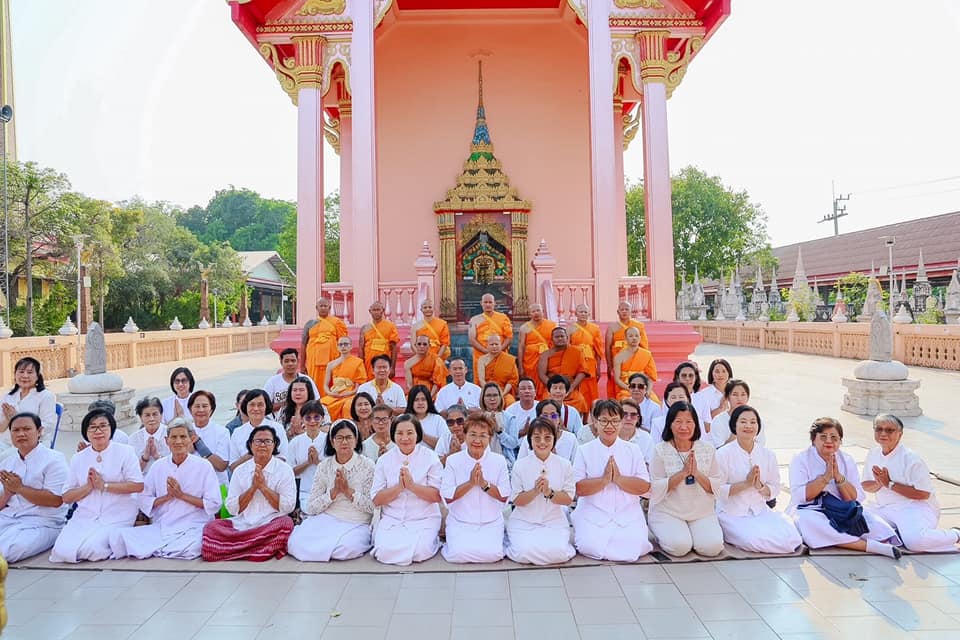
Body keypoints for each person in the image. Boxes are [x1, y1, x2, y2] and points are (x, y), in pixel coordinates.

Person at [109, 418, 221, 560]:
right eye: (174, 437)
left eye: (183, 437)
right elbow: (144, 499)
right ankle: (163, 547)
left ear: (191, 439)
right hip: (163, 525)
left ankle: (160, 548)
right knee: (118, 536)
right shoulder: (158, 466)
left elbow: (214, 504)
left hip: (194, 525)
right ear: (167, 441)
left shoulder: (204, 466)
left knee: (192, 547)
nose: (178, 441)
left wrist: (181, 495)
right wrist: (167, 497)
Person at [789, 417, 901, 558]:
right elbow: (800, 497)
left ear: (840, 441)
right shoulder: (800, 458)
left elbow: (856, 497)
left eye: (834, 437)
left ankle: (864, 541)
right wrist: (824, 478)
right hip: (809, 509)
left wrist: (838, 477)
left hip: (841, 508)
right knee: (806, 523)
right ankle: (870, 546)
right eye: (823, 437)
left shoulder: (846, 459)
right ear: (813, 440)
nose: (829, 441)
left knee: (875, 524)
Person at [50, 409, 144, 563]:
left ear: (111, 429)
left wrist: (104, 485)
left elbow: (138, 486)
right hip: (85, 515)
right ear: (86, 432)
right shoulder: (78, 458)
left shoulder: (125, 452)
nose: (98, 431)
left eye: (103, 426)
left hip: (117, 513)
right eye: (92, 427)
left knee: (92, 549)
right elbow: (66, 497)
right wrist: (88, 487)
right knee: (61, 551)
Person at [862, 414, 960, 552]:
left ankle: (955, 534)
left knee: (915, 542)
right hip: (883, 508)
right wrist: (879, 483)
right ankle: (896, 532)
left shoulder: (911, 458)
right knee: (851, 522)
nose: (883, 433)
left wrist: (889, 484)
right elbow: (866, 485)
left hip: (914, 508)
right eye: (879, 429)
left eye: (889, 430)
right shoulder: (873, 453)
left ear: (900, 434)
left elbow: (923, 494)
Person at [572, 400, 653, 561]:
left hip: (627, 512)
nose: (610, 426)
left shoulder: (633, 450)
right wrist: (603, 481)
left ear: (622, 422)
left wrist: (619, 479)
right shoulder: (584, 451)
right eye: (604, 421)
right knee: (590, 545)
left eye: (615, 421)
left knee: (637, 545)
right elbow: (577, 489)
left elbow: (644, 487)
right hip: (593, 513)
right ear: (595, 422)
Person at [202, 425, 296, 561]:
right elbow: (232, 509)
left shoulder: (285, 470)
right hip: (243, 524)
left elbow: (288, 507)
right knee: (211, 528)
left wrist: (263, 487)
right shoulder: (240, 471)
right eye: (258, 441)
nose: (262, 445)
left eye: (267, 441)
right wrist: (253, 488)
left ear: (274, 445)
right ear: (251, 445)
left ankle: (236, 548)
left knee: (286, 524)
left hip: (270, 523)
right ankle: (258, 548)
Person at [715, 406, 802, 554]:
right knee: (754, 541)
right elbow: (717, 490)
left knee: (792, 537)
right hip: (732, 514)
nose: (748, 426)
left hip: (760, 511)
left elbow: (775, 488)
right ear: (734, 425)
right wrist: (746, 484)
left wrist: (760, 486)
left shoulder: (768, 454)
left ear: (758, 427)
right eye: (743, 421)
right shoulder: (722, 454)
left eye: (753, 422)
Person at [288, 420, 375, 561]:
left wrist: (348, 492)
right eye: (339, 438)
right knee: (295, 543)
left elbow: (372, 506)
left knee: (343, 549)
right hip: (328, 517)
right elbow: (311, 507)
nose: (344, 442)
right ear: (332, 441)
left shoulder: (368, 465)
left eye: (348, 437)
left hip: (357, 521)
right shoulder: (324, 466)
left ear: (356, 439)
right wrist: (333, 493)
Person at [648, 402, 724, 558]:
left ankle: (693, 533)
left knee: (712, 547)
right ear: (670, 424)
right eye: (678, 422)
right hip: (668, 511)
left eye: (689, 422)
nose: (684, 427)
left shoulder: (707, 449)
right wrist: (683, 473)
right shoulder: (660, 450)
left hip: (702, 512)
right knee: (680, 547)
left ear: (696, 424)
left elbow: (716, 486)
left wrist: (696, 473)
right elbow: (655, 488)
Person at [371, 414, 443, 565]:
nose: (405, 438)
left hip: (424, 518)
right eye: (399, 433)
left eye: (410, 433)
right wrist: (399, 487)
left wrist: (412, 486)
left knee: (419, 552)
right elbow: (377, 499)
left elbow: (437, 496)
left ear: (418, 434)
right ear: (393, 435)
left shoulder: (431, 457)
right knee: (383, 552)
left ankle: (432, 539)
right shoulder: (384, 460)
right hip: (393, 518)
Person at [440, 412, 510, 563]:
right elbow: (447, 496)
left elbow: (504, 495)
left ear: (489, 438)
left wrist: (484, 484)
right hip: (461, 521)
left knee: (493, 555)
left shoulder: (499, 461)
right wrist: (470, 483)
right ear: (465, 436)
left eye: (483, 436)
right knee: (458, 555)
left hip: (490, 521)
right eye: (473, 434)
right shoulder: (453, 461)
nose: (477, 440)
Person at [506, 417, 576, 565]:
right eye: (537, 438)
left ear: (554, 440)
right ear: (530, 440)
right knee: (524, 553)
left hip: (553, 520)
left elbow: (568, 499)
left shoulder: (564, 465)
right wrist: (535, 491)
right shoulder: (520, 465)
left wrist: (549, 493)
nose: (542, 442)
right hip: (524, 521)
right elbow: (517, 500)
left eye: (547, 437)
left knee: (558, 553)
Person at [0, 412, 68, 562]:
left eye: (27, 429)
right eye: (16, 430)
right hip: (8, 517)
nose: (21, 434)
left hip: (42, 522)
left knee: (9, 550)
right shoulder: (7, 463)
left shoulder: (54, 460)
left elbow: (56, 500)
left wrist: (20, 488)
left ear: (39, 431)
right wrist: (7, 494)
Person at [1, 357, 57, 454]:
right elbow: (1, 428)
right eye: (21, 372)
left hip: (33, 445)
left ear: (37, 376)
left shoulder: (46, 396)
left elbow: (47, 427)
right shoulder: (8, 396)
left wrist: (17, 419)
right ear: (15, 374)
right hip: (6, 443)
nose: (25, 375)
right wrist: (8, 419)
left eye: (30, 372)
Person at [229, 389, 289, 470]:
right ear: (245, 407)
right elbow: (232, 466)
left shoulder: (277, 428)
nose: (256, 408)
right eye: (252, 405)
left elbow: (283, 458)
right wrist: (250, 455)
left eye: (260, 405)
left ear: (266, 406)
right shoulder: (237, 432)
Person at [287, 400, 329, 514]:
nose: (312, 421)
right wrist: (308, 463)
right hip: (306, 492)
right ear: (302, 419)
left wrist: (317, 462)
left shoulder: (329, 440)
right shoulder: (295, 442)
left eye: (316, 417)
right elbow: (290, 472)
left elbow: (336, 468)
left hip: (329, 491)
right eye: (308, 418)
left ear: (322, 418)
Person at [538, 327, 590, 415]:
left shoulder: (576, 352)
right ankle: (551, 422)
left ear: (567, 337)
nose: (560, 339)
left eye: (562, 336)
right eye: (557, 337)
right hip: (551, 387)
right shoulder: (545, 355)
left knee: (579, 400)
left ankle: (575, 424)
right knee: (546, 400)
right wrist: (552, 387)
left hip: (569, 387)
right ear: (552, 339)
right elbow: (542, 374)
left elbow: (582, 371)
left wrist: (572, 387)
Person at [301, 298, 349, 392]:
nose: (323, 308)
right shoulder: (310, 324)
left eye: (325, 306)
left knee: (332, 381)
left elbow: (344, 342)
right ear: (316, 308)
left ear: (329, 307)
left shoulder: (337, 323)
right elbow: (303, 343)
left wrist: (344, 361)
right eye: (321, 306)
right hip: (313, 360)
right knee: (314, 382)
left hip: (332, 359)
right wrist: (302, 364)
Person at [605, 301, 649, 399]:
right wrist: (609, 365)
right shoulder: (612, 328)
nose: (624, 312)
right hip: (619, 363)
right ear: (618, 311)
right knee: (616, 390)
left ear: (631, 311)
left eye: (627, 309)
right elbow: (607, 348)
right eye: (622, 309)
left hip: (635, 362)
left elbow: (644, 346)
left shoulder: (639, 326)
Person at [188, 390, 231, 486]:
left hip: (217, 486)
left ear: (211, 409)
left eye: (205, 406)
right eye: (197, 406)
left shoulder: (222, 432)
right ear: (190, 409)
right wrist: (187, 451)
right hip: (191, 487)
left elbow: (222, 466)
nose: (201, 410)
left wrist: (200, 445)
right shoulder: (184, 431)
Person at [517, 399, 579, 465]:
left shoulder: (571, 438)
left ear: (559, 419)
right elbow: (520, 465)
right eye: (545, 416)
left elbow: (576, 468)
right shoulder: (528, 439)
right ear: (538, 418)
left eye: (553, 416)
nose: (549, 419)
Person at [468, 293, 513, 383]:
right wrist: (486, 351)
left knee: (502, 379)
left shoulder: (503, 318)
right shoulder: (475, 319)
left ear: (494, 303)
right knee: (480, 380)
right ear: (481, 303)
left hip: (500, 354)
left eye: (490, 302)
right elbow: (472, 339)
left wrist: (498, 350)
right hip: (481, 354)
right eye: (485, 302)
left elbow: (509, 337)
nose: (488, 304)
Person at [321, 336, 368, 421]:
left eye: (346, 344)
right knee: (322, 406)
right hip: (335, 394)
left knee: (348, 406)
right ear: (337, 347)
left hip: (350, 394)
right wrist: (330, 393)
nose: (343, 347)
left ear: (351, 346)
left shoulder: (357, 362)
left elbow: (360, 383)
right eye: (340, 344)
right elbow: (325, 385)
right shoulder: (331, 364)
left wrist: (351, 392)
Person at [568, 304, 604, 411]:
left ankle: (592, 411)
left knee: (591, 390)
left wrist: (598, 368)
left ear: (589, 314)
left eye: (585, 312)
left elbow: (597, 350)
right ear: (576, 313)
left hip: (590, 363)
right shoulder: (570, 329)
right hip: (576, 363)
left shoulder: (595, 329)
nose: (583, 314)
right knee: (578, 388)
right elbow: (567, 349)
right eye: (580, 312)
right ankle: (579, 411)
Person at [264, 348, 320, 415]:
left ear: (297, 362)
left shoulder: (306, 379)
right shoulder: (272, 382)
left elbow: (317, 401)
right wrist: (289, 403)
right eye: (286, 361)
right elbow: (265, 406)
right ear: (281, 362)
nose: (290, 364)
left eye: (293, 361)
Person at [708, 380, 761, 449]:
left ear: (748, 397)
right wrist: (736, 432)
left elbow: (760, 446)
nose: (739, 398)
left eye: (743, 394)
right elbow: (719, 450)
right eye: (735, 394)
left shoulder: (755, 419)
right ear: (727, 397)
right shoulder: (718, 420)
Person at [517, 303, 555, 396]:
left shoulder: (552, 325)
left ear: (543, 311)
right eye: (533, 311)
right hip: (530, 362)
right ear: (530, 314)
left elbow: (556, 345)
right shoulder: (524, 328)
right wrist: (520, 367)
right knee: (532, 383)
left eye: (538, 310)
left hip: (547, 360)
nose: (536, 313)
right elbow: (521, 347)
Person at [612, 327, 658, 401]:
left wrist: (648, 391)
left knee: (654, 401)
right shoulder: (619, 357)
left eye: (636, 336)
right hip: (626, 390)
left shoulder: (646, 354)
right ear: (626, 338)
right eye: (631, 336)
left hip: (642, 388)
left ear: (640, 338)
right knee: (625, 401)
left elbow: (650, 377)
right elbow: (617, 380)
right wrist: (631, 389)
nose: (634, 338)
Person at [359, 301, 400, 379]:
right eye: (374, 310)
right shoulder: (365, 328)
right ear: (370, 311)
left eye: (378, 309)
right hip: (369, 362)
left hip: (384, 361)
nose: (376, 312)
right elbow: (361, 348)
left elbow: (394, 348)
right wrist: (361, 367)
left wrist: (393, 367)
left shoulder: (390, 326)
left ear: (383, 310)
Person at [480, 382, 519, 463]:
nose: (492, 399)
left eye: (495, 395)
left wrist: (499, 431)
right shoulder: (477, 418)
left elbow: (513, 444)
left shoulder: (510, 418)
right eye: (488, 395)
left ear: (500, 397)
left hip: (505, 462)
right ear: (483, 398)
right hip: (482, 461)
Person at [130, 397, 169, 473]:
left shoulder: (171, 433)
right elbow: (132, 471)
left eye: (155, 414)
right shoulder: (133, 439)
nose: (151, 419)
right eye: (147, 415)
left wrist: (157, 456)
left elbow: (176, 467)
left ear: (161, 415)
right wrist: (145, 457)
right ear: (141, 418)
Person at [477, 334, 518, 406]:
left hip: (504, 391)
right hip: (487, 391)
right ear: (487, 345)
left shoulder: (509, 359)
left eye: (496, 344)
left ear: (501, 345)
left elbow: (512, 381)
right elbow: (481, 380)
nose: (494, 346)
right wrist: (489, 392)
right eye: (491, 344)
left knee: (510, 402)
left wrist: (502, 394)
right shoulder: (482, 360)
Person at [404, 335, 449, 399]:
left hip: (432, 392)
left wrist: (429, 398)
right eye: (419, 344)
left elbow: (437, 383)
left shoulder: (436, 360)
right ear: (415, 345)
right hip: (415, 391)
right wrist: (415, 396)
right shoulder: (409, 362)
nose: (422, 346)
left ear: (429, 346)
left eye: (425, 344)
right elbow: (409, 384)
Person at [694, 358, 733, 432]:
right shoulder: (703, 395)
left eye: (724, 371)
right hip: (712, 435)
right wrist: (721, 408)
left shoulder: (735, 392)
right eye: (717, 371)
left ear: (729, 373)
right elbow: (702, 421)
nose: (720, 375)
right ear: (711, 374)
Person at [405, 385, 446, 449]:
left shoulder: (438, 419)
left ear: (428, 401)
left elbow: (445, 445)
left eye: (423, 399)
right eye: (416, 400)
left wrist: (423, 436)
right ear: (411, 402)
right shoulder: (402, 419)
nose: (420, 403)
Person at [280, 376, 319, 440]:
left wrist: (304, 433)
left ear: (309, 392)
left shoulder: (319, 408)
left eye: (301, 390)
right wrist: (289, 433)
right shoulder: (284, 409)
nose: (298, 393)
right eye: (294, 390)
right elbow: (278, 432)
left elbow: (326, 429)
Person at [503, 377, 538, 447]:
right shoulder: (510, 410)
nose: (527, 391)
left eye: (530, 388)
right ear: (518, 393)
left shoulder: (542, 407)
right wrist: (522, 432)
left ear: (535, 392)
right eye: (523, 388)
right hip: (515, 449)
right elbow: (505, 436)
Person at [619, 398, 654, 463]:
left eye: (633, 415)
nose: (629, 418)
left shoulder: (646, 438)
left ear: (638, 418)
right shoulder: (610, 436)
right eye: (624, 414)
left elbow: (650, 464)